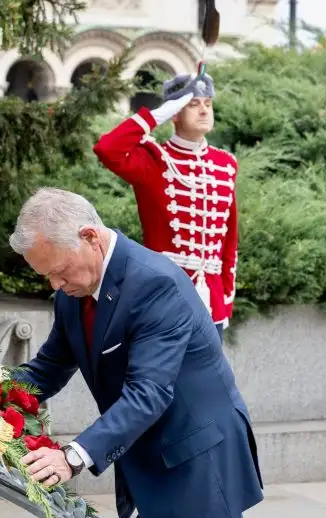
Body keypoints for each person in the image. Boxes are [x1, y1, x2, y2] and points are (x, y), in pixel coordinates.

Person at [9, 187, 267, 518]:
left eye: (60, 271)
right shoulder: (74, 293)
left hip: (198, 459)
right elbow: (50, 367)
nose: (55, 284)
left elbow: (148, 392)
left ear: (90, 237)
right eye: (47, 277)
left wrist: (72, 457)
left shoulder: (154, 284)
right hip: (182, 456)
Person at [93, 70, 238, 340]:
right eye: (193, 104)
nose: (204, 110)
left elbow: (229, 242)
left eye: (208, 103)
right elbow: (107, 148)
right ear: (176, 113)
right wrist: (159, 113)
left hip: (212, 303)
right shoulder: (154, 160)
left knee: (208, 383)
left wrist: (226, 302)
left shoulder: (225, 164)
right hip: (164, 298)